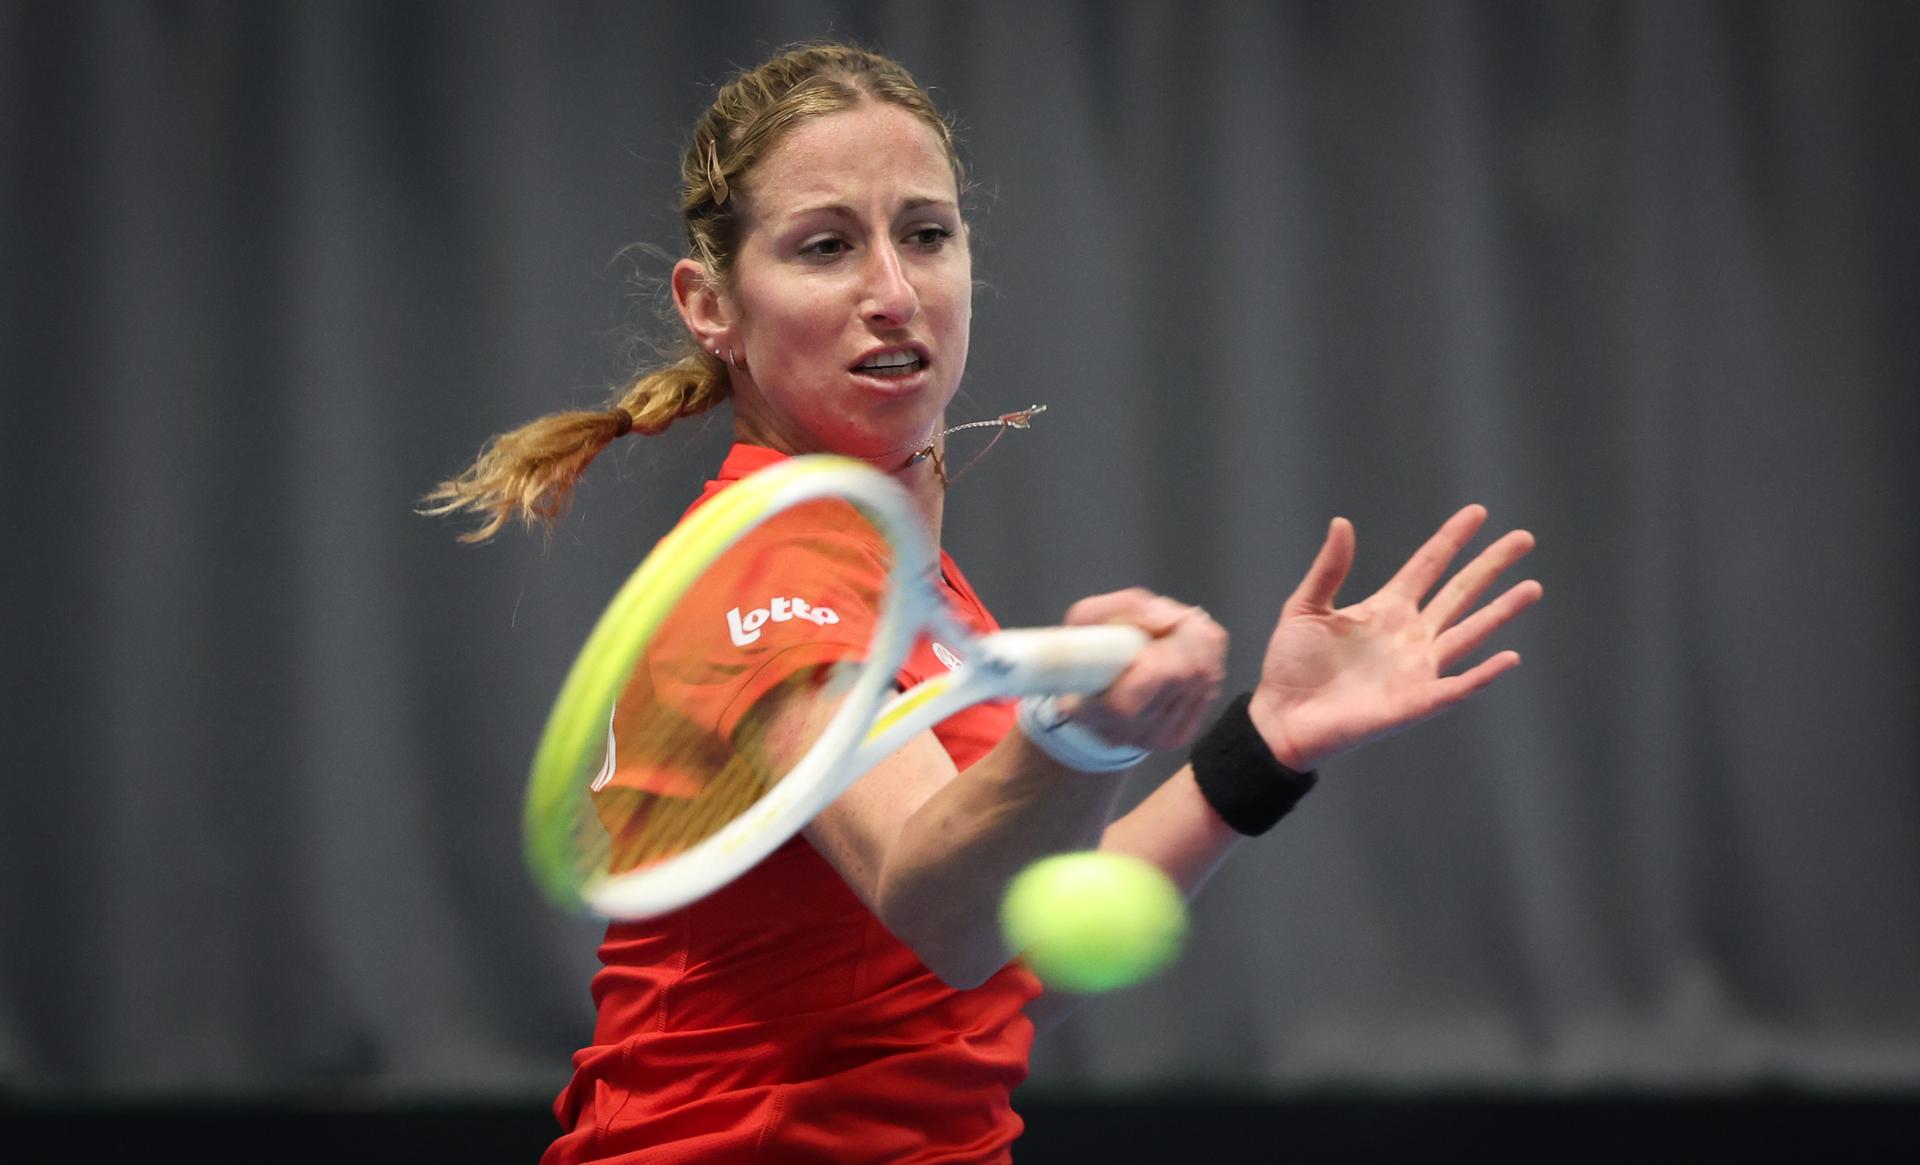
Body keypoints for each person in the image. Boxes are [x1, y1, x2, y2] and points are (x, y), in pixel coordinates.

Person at [425, 42, 1541, 1165]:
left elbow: (1001, 961)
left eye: (926, 233)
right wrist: (1076, 738)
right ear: (712, 305)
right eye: (826, 247)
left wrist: (1265, 742)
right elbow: (943, 910)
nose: (894, 294)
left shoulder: (903, 571)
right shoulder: (768, 567)